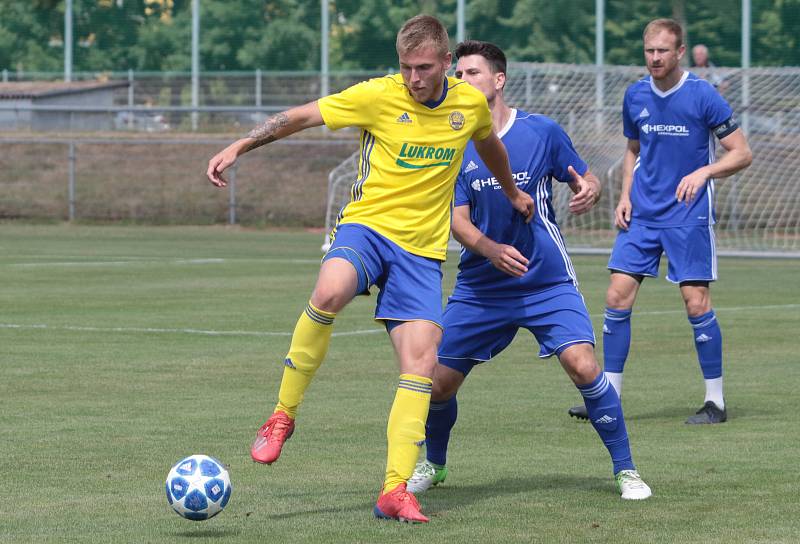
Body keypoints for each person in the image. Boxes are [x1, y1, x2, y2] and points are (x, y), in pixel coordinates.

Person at [206, 15, 534, 524]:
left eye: (424, 67)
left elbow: (489, 143)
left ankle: (394, 490)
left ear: (447, 63)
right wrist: (239, 146)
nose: (414, 78)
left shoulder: (467, 103)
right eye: (405, 67)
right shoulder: (377, 95)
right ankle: (282, 415)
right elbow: (299, 117)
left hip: (422, 252)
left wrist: (511, 190)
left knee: (421, 364)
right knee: (330, 290)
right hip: (369, 228)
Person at [406, 40, 652, 501]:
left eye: (472, 73)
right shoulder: (454, 143)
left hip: (545, 280)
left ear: (498, 80)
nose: (461, 80)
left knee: (582, 365)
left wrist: (591, 190)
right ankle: (434, 465)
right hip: (481, 286)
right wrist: (491, 249)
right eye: (457, 74)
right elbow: (457, 221)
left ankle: (626, 470)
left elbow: (585, 177)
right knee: (437, 383)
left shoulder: (542, 132)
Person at [568, 19, 752, 424]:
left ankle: (715, 402)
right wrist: (624, 196)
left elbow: (741, 152)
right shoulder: (635, 95)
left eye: (663, 51)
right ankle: (608, 396)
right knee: (617, 295)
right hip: (642, 216)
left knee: (695, 302)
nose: (654, 58)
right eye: (649, 50)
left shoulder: (704, 96)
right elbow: (633, 149)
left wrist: (704, 173)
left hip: (688, 215)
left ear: (680, 52)